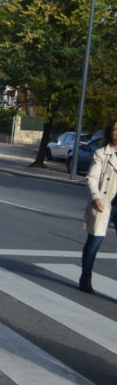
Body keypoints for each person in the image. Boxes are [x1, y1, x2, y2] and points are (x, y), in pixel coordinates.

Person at [79, 118, 117, 293]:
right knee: (94, 241)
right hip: (106, 202)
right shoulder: (101, 154)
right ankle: (85, 278)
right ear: (110, 133)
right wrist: (96, 197)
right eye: (115, 130)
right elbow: (92, 178)